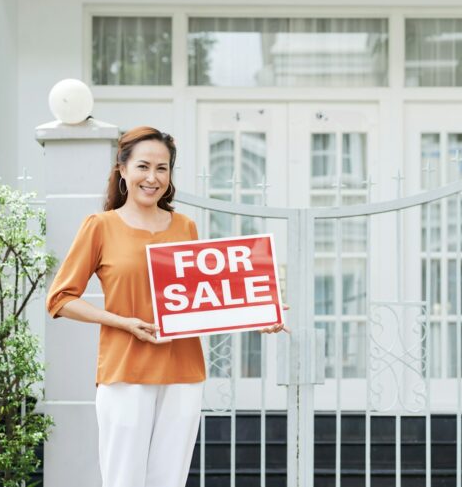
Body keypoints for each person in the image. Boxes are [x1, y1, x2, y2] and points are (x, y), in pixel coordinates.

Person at [46, 126, 284, 487]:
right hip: (125, 371)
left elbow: (202, 298)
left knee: (169, 481)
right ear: (122, 169)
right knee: (124, 479)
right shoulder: (100, 226)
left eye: (163, 168)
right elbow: (60, 299)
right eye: (143, 166)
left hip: (183, 372)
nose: (153, 177)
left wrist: (258, 314)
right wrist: (123, 322)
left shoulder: (185, 226)